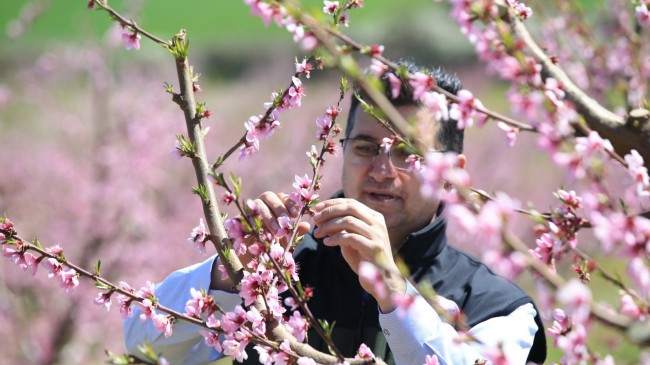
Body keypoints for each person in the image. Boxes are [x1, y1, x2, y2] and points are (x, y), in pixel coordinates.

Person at [124, 61, 547, 365]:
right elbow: (144, 342)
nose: (382, 170)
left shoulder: (499, 308)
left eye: (408, 154)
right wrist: (227, 275)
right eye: (365, 148)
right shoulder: (282, 268)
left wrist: (392, 290)